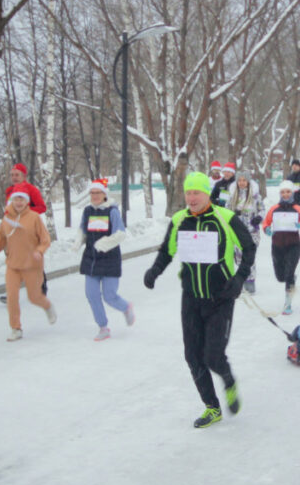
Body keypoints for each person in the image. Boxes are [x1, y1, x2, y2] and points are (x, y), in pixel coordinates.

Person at [143, 172, 256, 429]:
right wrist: (154, 271)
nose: (191, 198)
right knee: (192, 356)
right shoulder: (180, 220)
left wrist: (239, 278)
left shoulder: (225, 218)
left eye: (197, 192)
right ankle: (212, 407)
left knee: (213, 356)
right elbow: (167, 251)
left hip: (221, 297)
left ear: (207, 194)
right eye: (188, 192)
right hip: (191, 298)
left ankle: (228, 380)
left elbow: (249, 248)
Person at [0, 183, 57, 341]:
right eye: (16, 199)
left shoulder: (34, 218)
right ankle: (16, 328)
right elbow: (1, 240)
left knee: (34, 297)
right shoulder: (6, 219)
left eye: (22, 199)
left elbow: (45, 240)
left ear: (26, 201)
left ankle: (47, 306)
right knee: (11, 297)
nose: (19, 202)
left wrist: (39, 251)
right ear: (12, 201)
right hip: (13, 265)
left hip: (32, 265)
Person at [79, 179, 133, 341]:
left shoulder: (112, 211)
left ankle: (126, 307)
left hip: (109, 258)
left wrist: (104, 243)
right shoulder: (87, 211)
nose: (95, 196)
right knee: (92, 294)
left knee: (109, 295)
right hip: (91, 258)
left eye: (98, 193)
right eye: (92, 193)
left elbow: (121, 233)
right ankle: (103, 327)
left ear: (104, 194)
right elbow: (83, 229)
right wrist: (78, 241)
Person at [261, 181, 300, 314]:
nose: (285, 194)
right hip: (277, 246)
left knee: (289, 274)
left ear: (292, 192)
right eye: (283, 192)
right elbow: (266, 223)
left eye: (288, 191)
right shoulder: (274, 208)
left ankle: (288, 304)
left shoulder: (298, 209)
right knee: (280, 277)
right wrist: (267, 229)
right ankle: (290, 280)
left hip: (293, 245)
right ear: (280, 193)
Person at [0, 163, 48, 303]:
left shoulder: (31, 190)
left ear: (23, 176)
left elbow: (42, 207)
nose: (14, 178)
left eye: (17, 175)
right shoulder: (10, 191)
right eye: (12, 175)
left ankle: (41, 287)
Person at [225, 168, 265, 294]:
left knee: (249, 256)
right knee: (238, 258)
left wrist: (258, 218)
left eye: (244, 180)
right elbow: (226, 210)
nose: (242, 183)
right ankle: (241, 279)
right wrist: (232, 214)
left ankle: (250, 281)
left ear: (248, 181)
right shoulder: (232, 196)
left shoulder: (255, 196)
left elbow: (262, 209)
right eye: (239, 180)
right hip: (237, 231)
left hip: (251, 230)